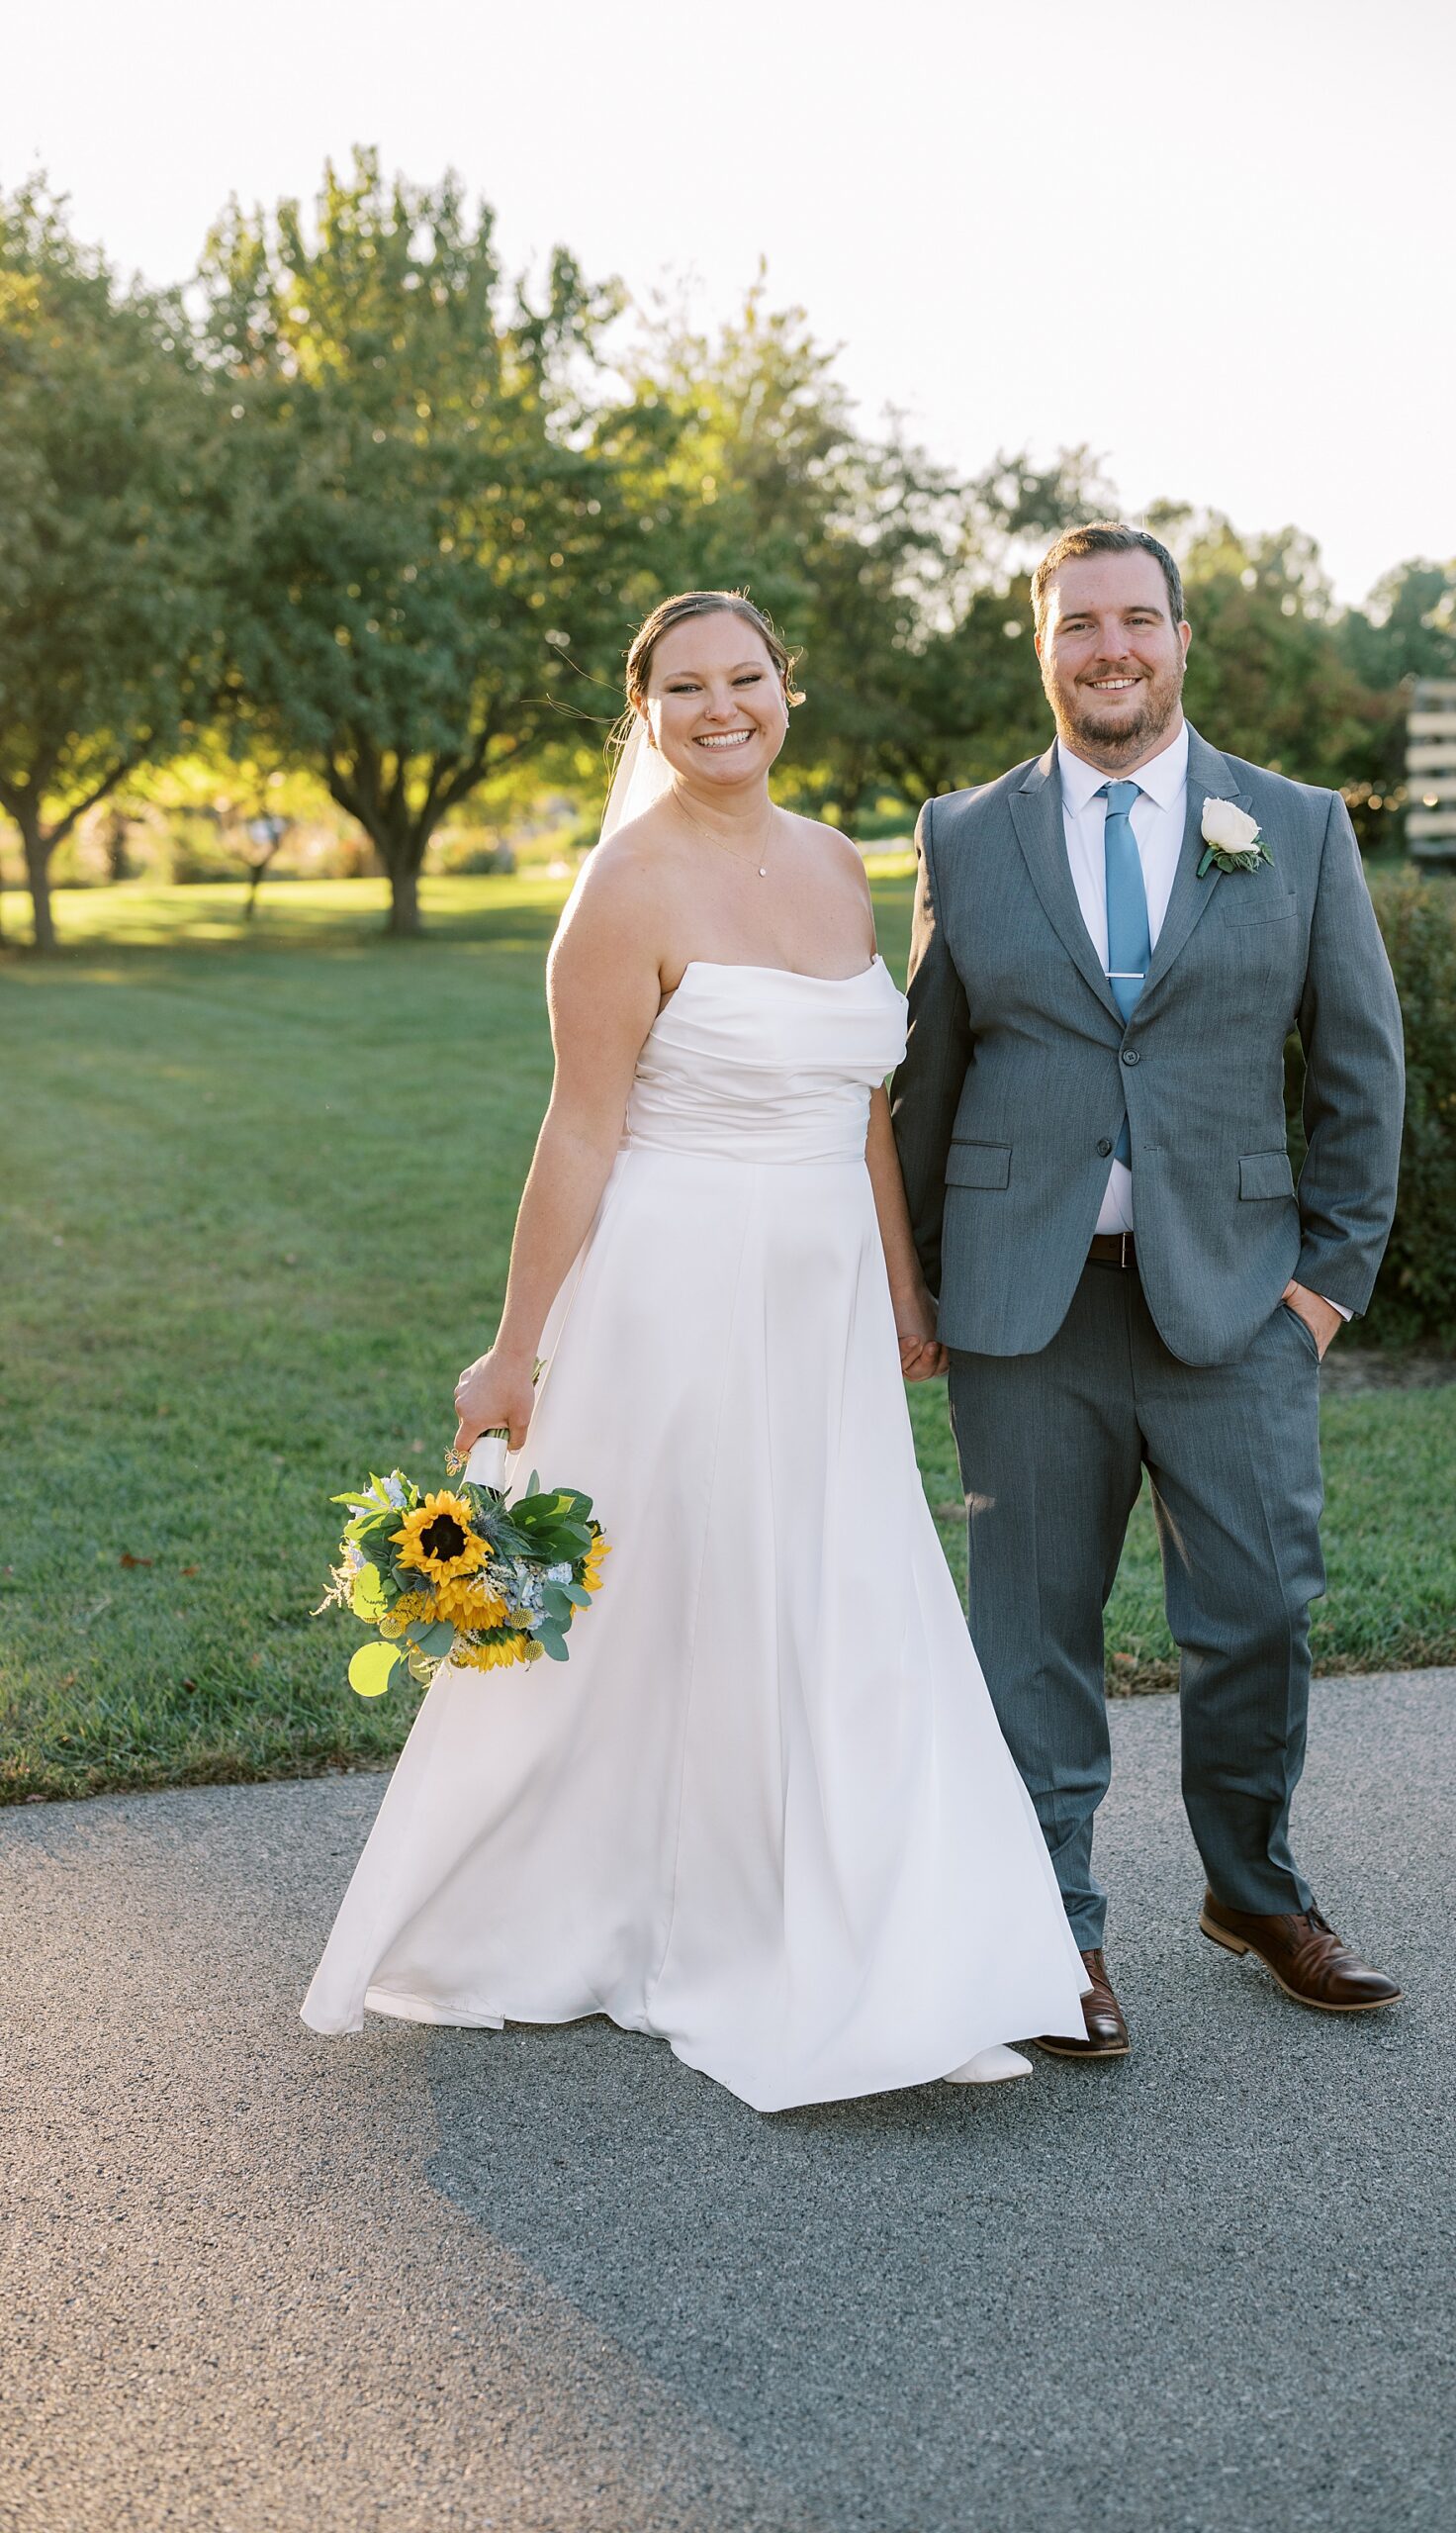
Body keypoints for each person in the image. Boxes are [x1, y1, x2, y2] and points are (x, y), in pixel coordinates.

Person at [301, 590, 1088, 2110]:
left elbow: (865, 1109)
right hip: (680, 1289)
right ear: (644, 712)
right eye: (685, 687)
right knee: (700, 1593)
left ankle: (866, 1932)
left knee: (842, 1585)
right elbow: (578, 1134)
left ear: (787, 688)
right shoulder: (624, 889)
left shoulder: (836, 863)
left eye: (745, 677)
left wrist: (906, 1291)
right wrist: (513, 1350)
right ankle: (654, 1914)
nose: (721, 707)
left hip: (827, 1297)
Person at [890, 522, 1408, 2056]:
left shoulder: (1295, 826)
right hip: (1023, 1309)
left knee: (1259, 1612)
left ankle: (1256, 1891)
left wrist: (1324, 1290)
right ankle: (1055, 1931)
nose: (1109, 647)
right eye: (1079, 623)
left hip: (1238, 1304)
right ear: (1041, 647)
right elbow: (925, 1079)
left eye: (1137, 618)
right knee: (1030, 1633)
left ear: (1182, 639)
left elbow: (1362, 1070)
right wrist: (919, 1287)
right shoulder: (963, 835)